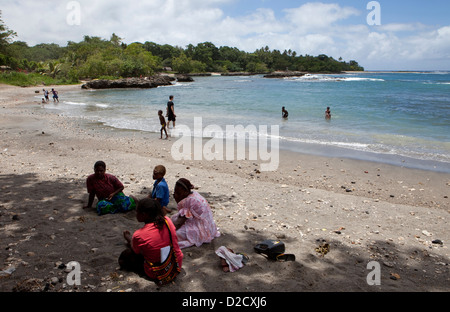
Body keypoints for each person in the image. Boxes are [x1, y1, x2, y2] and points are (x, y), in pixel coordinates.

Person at [119, 198, 183, 285]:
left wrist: (128, 238)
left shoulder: (139, 234)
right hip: (176, 264)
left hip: (158, 272)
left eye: (137, 212)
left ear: (144, 214)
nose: (136, 214)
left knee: (125, 256)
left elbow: (136, 251)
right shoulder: (167, 221)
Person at [171, 178, 220, 249]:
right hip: (207, 225)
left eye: (178, 193)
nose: (175, 195)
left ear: (185, 192)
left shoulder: (188, 201)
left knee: (175, 234)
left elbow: (179, 222)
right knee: (173, 219)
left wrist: (168, 231)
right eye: (175, 193)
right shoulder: (194, 194)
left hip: (201, 227)